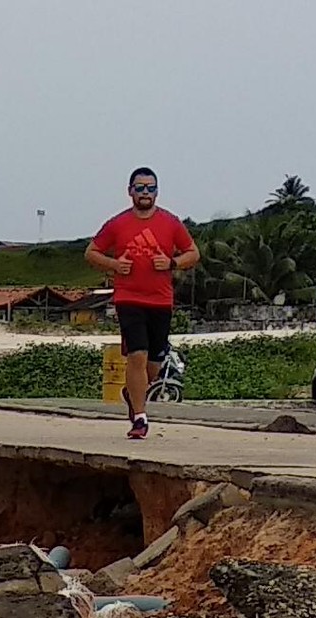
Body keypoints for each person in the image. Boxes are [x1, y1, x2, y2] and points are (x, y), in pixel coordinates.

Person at [85, 167, 200, 439]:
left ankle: (131, 392)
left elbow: (193, 253)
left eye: (150, 188)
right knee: (136, 354)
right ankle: (140, 418)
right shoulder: (117, 224)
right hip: (129, 298)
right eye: (140, 188)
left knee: (154, 364)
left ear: (157, 192)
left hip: (161, 301)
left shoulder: (170, 223)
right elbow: (91, 252)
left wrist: (172, 263)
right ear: (130, 191)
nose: (145, 193)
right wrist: (114, 264)